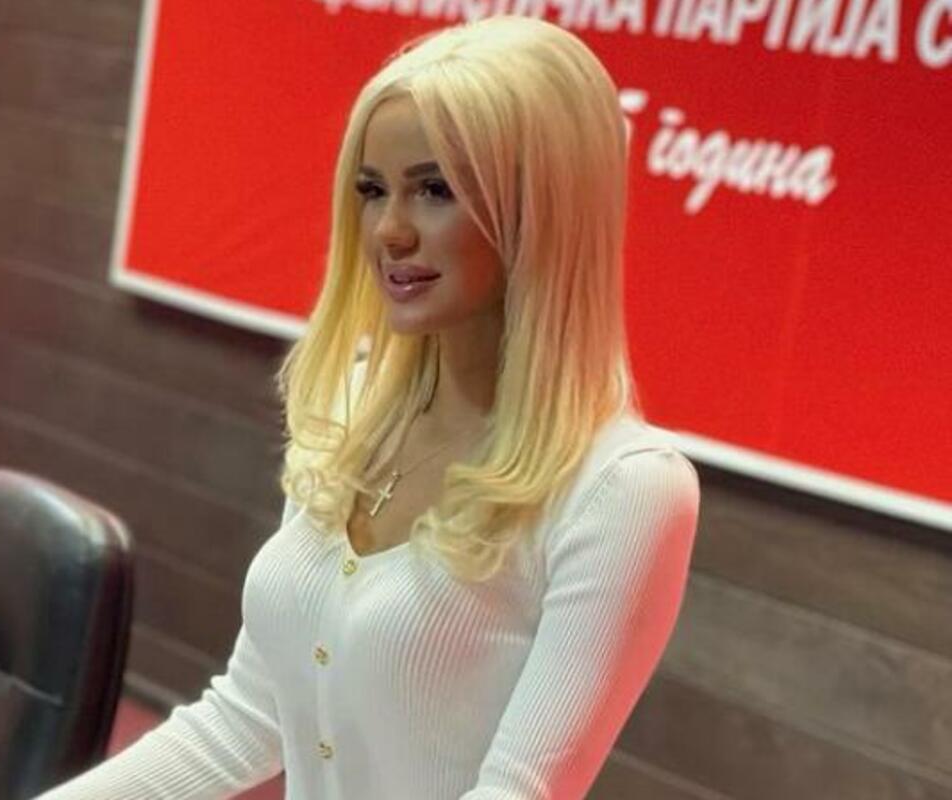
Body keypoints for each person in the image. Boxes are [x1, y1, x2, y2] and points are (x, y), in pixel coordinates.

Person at [39, 14, 699, 800]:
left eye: (435, 190)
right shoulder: (352, 406)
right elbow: (246, 718)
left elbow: (519, 791)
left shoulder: (623, 490)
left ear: (542, 209)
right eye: (372, 190)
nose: (389, 231)